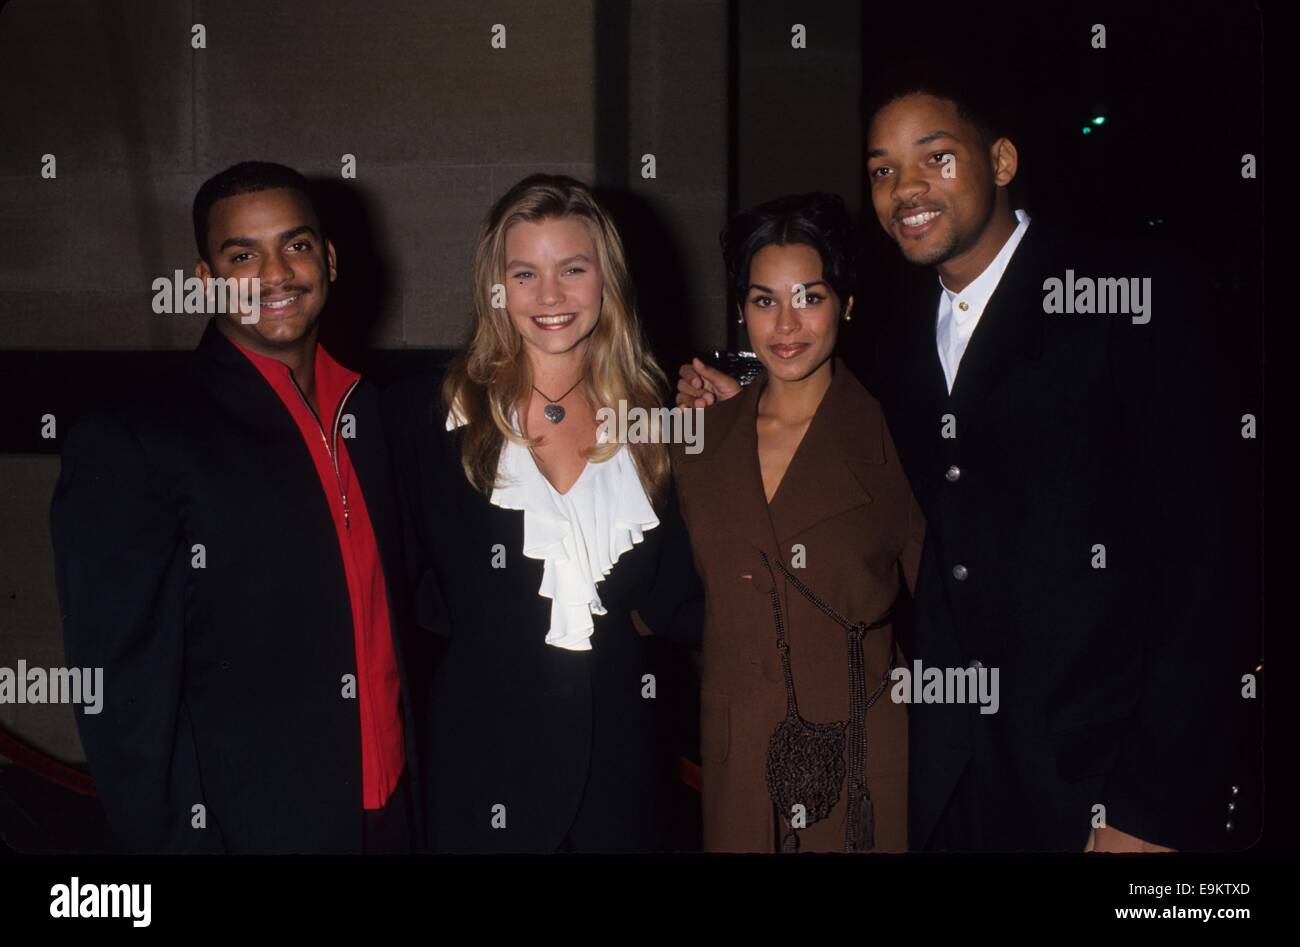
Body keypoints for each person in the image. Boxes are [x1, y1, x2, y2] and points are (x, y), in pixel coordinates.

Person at [677, 78, 1233, 853]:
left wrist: (1150, 800)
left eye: (935, 158)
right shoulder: (898, 341)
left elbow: (1205, 566)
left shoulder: (1127, 297)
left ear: (1001, 160)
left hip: (1099, 782)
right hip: (946, 779)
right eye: (881, 169)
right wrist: (742, 397)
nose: (905, 188)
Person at [50, 162, 419, 854]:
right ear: (204, 280)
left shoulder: (372, 414)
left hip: (396, 819)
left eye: (296, 244)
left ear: (330, 259)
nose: (274, 273)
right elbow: (125, 706)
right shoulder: (134, 441)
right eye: (241, 255)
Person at [382, 174, 702, 854]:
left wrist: (732, 438)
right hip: (480, 769)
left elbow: (683, 606)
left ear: (606, 279)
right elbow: (403, 593)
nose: (549, 296)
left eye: (573, 269)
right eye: (524, 273)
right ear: (495, 289)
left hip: (622, 771)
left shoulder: (660, 423)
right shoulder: (428, 418)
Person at [672, 194, 922, 853]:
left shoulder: (901, 441)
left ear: (846, 302)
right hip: (740, 762)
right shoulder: (697, 442)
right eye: (763, 300)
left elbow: (964, 610)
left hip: (863, 764)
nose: (785, 324)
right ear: (741, 309)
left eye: (808, 297)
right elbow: (658, 594)